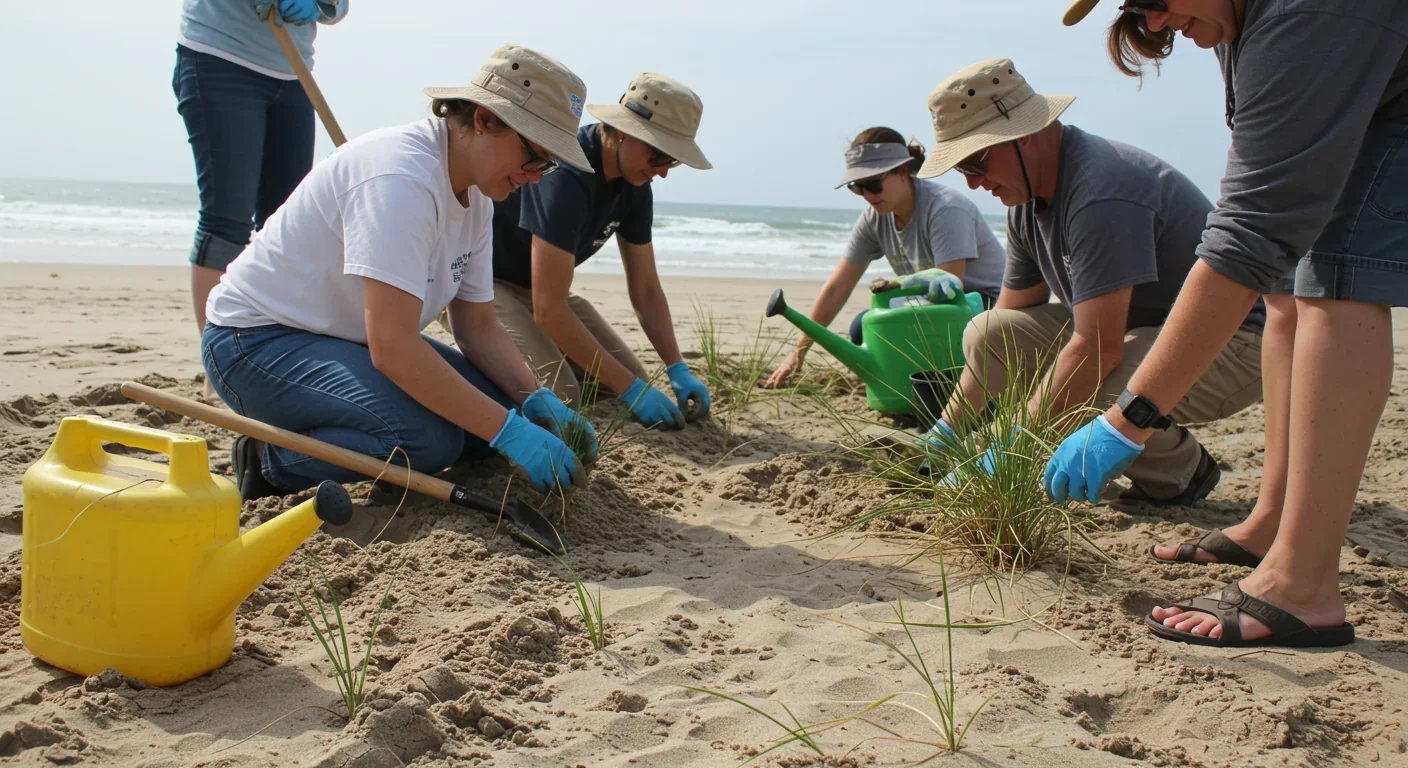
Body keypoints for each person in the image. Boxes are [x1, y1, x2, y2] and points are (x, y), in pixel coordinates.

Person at [1051, 0, 1407, 647]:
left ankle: (1302, 586)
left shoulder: (1313, 12)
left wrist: (1126, 421)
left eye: (1156, 1)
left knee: (1339, 279)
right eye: (1137, 8)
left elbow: (1249, 231)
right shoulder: (1236, 16)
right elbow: (1265, 215)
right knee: (1285, 289)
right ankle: (1273, 520)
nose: (1154, 24)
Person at [202, 45, 598, 500]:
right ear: (486, 120)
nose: (536, 177)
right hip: (255, 342)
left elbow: (478, 325)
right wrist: (510, 434)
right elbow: (392, 346)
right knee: (424, 441)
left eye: (548, 165)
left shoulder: (478, 200)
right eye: (535, 157)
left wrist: (534, 400)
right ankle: (267, 460)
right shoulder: (401, 178)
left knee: (501, 410)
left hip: (343, 341)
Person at [916, 58, 1263, 504]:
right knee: (988, 331)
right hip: (1139, 333)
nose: (975, 183)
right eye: (962, 170)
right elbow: (1006, 327)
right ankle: (1128, 447)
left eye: (978, 162)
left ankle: (1182, 470)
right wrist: (948, 430)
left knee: (1087, 384)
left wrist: (1009, 450)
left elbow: (1098, 349)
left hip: (1235, 341)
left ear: (1027, 134)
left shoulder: (1101, 191)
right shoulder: (1025, 199)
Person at [486, 73, 714, 430]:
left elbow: (646, 290)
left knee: (621, 381)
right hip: (480, 284)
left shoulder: (636, 182)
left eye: (672, 161)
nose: (662, 172)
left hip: (537, 289)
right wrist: (631, 389)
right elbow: (550, 310)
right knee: (563, 395)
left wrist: (676, 366)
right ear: (624, 131)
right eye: (659, 155)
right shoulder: (565, 174)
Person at [174, 0, 349, 402]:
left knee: (286, 222)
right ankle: (217, 364)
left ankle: (268, 352)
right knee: (226, 221)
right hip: (219, 58)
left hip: (293, 72)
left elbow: (338, 7)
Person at [762, 127, 1006, 390]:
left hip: (986, 307)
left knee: (910, 329)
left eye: (873, 184)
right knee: (862, 329)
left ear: (902, 171)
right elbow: (837, 287)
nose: (867, 195)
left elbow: (950, 288)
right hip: (932, 307)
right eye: (857, 187)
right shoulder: (874, 217)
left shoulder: (946, 208)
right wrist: (798, 352)